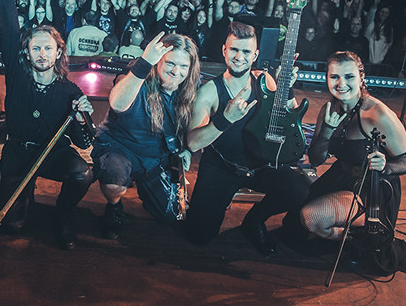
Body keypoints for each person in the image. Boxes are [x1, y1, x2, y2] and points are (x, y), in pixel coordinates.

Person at [0, 0, 95, 250]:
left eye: (47, 48)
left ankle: (62, 216)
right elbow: (8, 28)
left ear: (58, 52)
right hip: (18, 154)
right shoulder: (17, 75)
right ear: (26, 53)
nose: (41, 54)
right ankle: (26, 191)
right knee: (10, 226)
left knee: (82, 174)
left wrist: (81, 119)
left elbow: (84, 142)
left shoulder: (70, 90)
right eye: (35, 48)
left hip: (52, 154)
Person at [185, 21, 310, 255]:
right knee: (198, 236)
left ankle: (254, 220)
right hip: (222, 167)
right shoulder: (209, 91)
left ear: (255, 55)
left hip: (260, 166)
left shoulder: (265, 80)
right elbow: (193, 142)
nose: (239, 57)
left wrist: (287, 87)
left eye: (246, 51)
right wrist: (225, 119)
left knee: (299, 187)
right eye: (234, 49)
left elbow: (290, 117)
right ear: (224, 50)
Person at [91, 31, 199, 239]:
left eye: (183, 66)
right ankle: (114, 206)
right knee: (114, 178)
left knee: (170, 215)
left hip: (155, 156)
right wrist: (145, 62)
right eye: (170, 63)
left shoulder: (190, 85)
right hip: (120, 146)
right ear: (158, 61)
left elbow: (191, 122)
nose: (176, 71)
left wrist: (185, 148)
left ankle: (145, 186)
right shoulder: (139, 70)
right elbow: (117, 103)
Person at [297, 51, 406, 248]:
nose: (341, 84)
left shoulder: (377, 113)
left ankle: (356, 239)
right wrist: (327, 131)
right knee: (293, 221)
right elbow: (315, 160)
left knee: (311, 218)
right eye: (334, 77)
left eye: (349, 77)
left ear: (361, 77)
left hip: (370, 189)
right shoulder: (329, 108)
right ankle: (344, 233)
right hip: (340, 177)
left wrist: (385, 167)